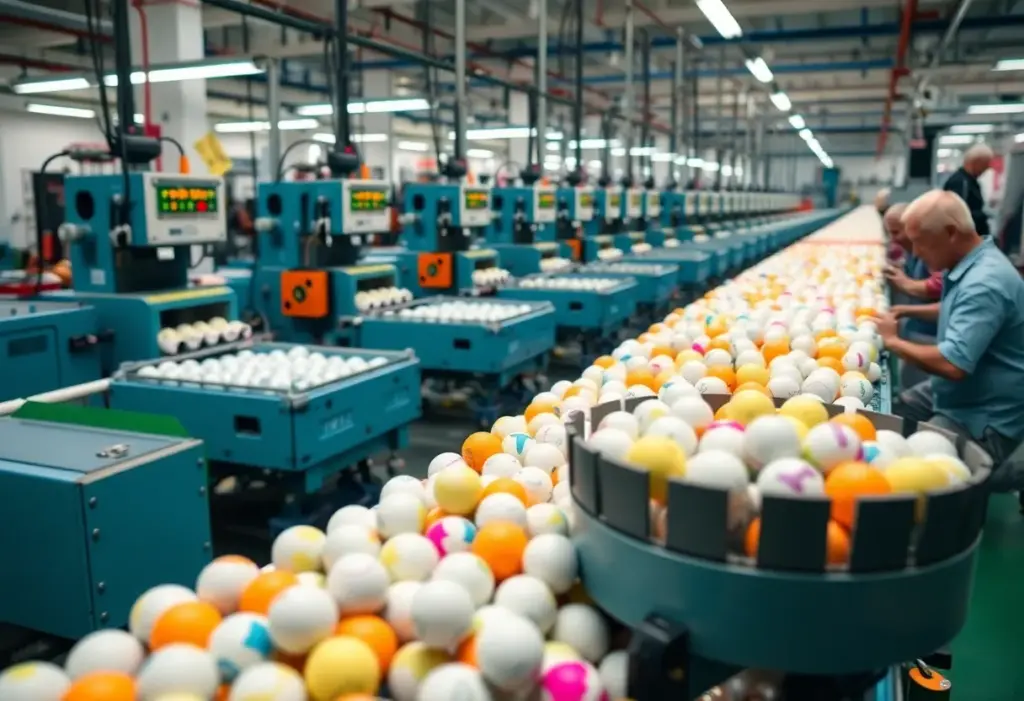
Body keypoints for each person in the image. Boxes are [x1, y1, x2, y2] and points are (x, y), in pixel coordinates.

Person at [873, 190, 1024, 486]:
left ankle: (1003, 475)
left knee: (926, 471)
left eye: (919, 241)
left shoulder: (985, 282)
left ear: (951, 233)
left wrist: (893, 342)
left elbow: (953, 364)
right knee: (894, 409)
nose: (914, 252)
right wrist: (906, 311)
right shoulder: (974, 262)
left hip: (985, 411)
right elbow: (955, 308)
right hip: (964, 390)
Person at [880, 203, 944, 391]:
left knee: (919, 387)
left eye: (896, 232)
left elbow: (938, 284)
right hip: (918, 328)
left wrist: (906, 284)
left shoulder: (932, 250)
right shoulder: (912, 250)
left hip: (932, 336)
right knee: (909, 384)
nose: (893, 239)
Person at [943, 143, 993, 238]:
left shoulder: (972, 182)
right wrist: (981, 216)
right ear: (976, 162)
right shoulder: (959, 183)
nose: (987, 168)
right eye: (985, 164)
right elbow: (957, 215)